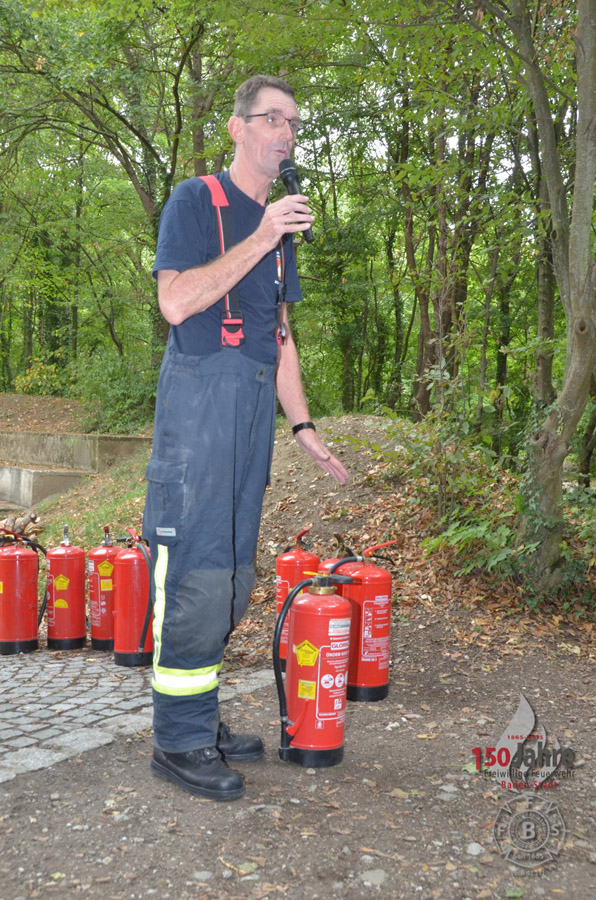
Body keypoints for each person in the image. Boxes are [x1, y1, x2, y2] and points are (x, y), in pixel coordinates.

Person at [143, 74, 349, 802]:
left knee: (232, 578)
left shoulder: (282, 229)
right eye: (271, 118)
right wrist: (262, 235)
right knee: (196, 576)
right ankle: (179, 740)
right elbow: (175, 302)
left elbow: (279, 335)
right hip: (198, 414)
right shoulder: (196, 201)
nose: (285, 132)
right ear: (237, 128)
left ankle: (201, 715)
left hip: (254, 412)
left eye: (293, 122)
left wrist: (304, 426)